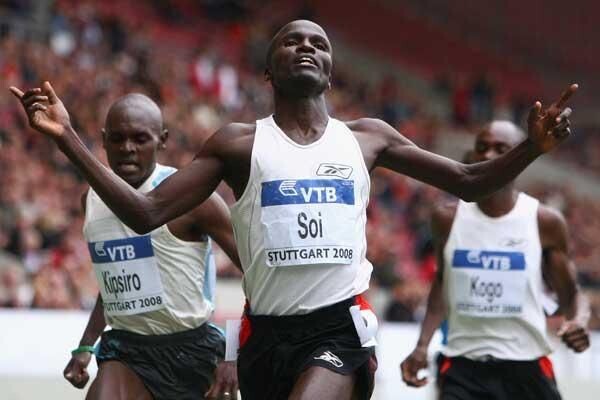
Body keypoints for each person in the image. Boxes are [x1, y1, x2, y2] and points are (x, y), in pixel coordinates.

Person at [10, 20, 576, 400]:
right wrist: (68, 139)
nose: (306, 46)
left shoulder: (367, 138)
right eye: (291, 41)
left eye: (319, 43)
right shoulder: (237, 144)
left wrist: (532, 148)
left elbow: (469, 181)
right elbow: (144, 213)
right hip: (266, 338)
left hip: (339, 328)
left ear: (329, 71)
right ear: (268, 71)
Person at [59, 94, 240, 400]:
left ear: (162, 140)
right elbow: (114, 281)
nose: (127, 148)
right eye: (117, 138)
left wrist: (234, 354)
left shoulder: (196, 199)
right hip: (128, 352)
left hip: (194, 351)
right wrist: (86, 345)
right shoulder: (90, 201)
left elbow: (259, 276)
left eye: (140, 139)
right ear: (103, 140)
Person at [400, 121, 590, 400]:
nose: (489, 155)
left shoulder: (544, 221)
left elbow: (571, 293)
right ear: (472, 155)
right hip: (463, 367)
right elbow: (443, 282)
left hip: (527, 366)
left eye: (501, 149)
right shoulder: (447, 218)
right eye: (482, 147)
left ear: (519, 156)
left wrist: (579, 320)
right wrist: (422, 345)